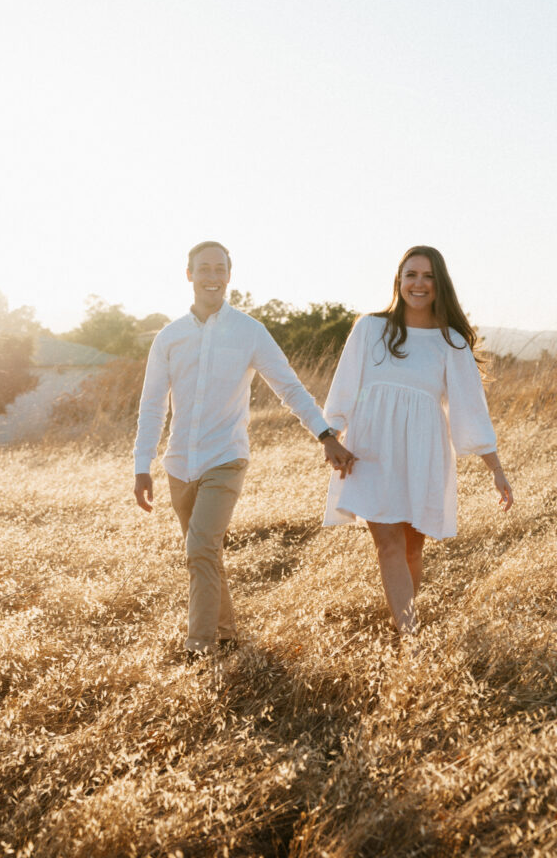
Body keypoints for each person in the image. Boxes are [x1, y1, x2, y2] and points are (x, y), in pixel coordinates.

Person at [133, 240, 355, 658]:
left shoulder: (250, 331)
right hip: (179, 464)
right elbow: (151, 405)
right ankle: (228, 634)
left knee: (198, 548)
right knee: (206, 552)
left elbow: (288, 387)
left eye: (220, 269)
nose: (212, 276)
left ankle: (199, 648)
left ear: (229, 276)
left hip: (226, 458)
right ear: (189, 275)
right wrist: (141, 464)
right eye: (204, 269)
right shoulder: (169, 337)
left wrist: (325, 435)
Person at [322, 245, 513, 639]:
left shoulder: (451, 342)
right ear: (399, 280)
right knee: (388, 546)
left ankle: (401, 625)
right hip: (370, 450)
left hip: (423, 455)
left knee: (412, 550)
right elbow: (343, 387)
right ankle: (410, 637)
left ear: (439, 284)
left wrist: (496, 469)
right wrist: (331, 437)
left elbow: (470, 409)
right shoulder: (370, 329)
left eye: (427, 276)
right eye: (411, 275)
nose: (419, 283)